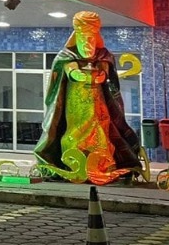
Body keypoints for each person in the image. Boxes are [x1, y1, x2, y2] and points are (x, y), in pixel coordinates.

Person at [34, 11, 141, 183]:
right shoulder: (67, 57)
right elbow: (70, 71)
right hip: (76, 105)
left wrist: (99, 75)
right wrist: (80, 74)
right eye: (83, 39)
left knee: (101, 130)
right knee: (75, 132)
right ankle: (74, 164)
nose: (88, 44)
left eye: (91, 39)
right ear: (77, 38)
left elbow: (106, 74)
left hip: (98, 105)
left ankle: (102, 165)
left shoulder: (103, 56)